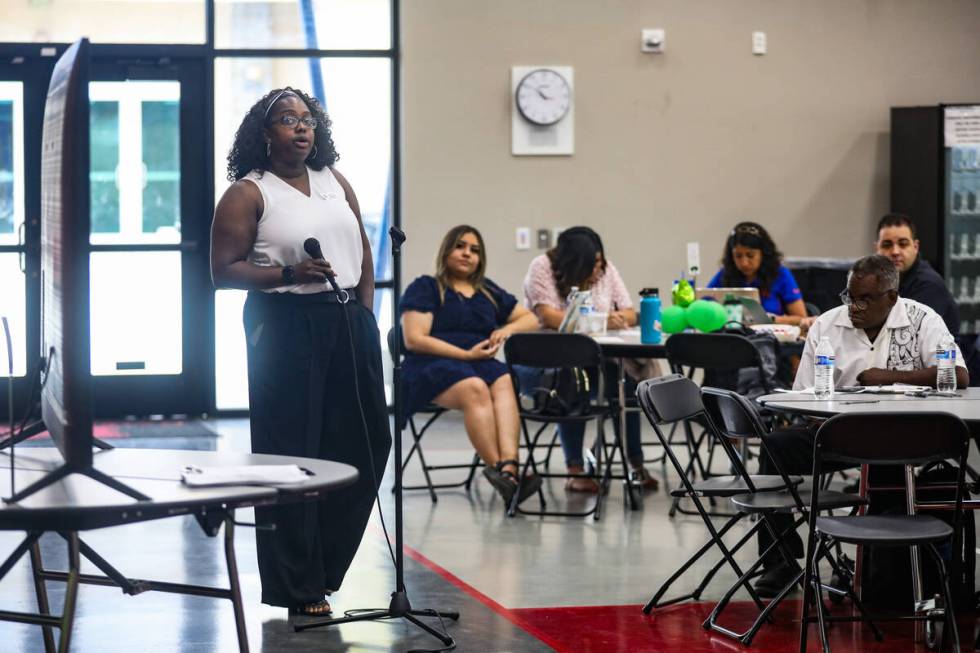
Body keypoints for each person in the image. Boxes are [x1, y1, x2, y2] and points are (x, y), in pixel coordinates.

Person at [210, 87, 391, 617]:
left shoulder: (336, 182)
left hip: (345, 321)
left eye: (307, 119)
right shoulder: (248, 193)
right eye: (287, 120)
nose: (301, 127)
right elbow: (223, 272)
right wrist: (288, 273)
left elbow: (360, 248)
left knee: (365, 444)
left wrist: (363, 314)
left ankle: (326, 568)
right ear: (264, 134)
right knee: (293, 456)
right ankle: (297, 586)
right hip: (284, 323)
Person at [752, 254, 967, 597]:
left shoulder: (922, 319)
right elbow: (804, 396)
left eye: (866, 299)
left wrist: (890, 378)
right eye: (850, 296)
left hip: (904, 440)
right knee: (775, 447)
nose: (855, 306)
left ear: (892, 297)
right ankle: (779, 559)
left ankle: (884, 574)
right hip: (840, 435)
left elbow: (958, 375)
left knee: (890, 475)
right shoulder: (827, 325)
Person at [400, 225, 542, 505]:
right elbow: (414, 339)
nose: (467, 254)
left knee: (503, 380)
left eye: (474, 250)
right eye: (460, 246)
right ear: (446, 250)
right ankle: (503, 471)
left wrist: (506, 331)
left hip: (479, 362)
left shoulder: (486, 290)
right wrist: (465, 355)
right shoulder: (426, 287)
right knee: (476, 388)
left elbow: (530, 319)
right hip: (432, 364)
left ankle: (509, 467)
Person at [522, 226, 657, 492]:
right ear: (576, 263)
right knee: (575, 385)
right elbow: (549, 317)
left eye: (600, 261)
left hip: (599, 359)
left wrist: (618, 319)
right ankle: (575, 468)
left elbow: (629, 312)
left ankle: (635, 463)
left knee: (627, 386)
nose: (599, 268)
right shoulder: (542, 267)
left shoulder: (606, 269)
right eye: (593, 263)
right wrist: (603, 320)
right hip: (553, 363)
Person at [708, 222, 808, 325]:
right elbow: (705, 302)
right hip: (734, 337)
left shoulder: (780, 274)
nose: (744, 263)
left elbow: (802, 318)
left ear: (764, 254)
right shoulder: (725, 274)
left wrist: (771, 320)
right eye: (738, 256)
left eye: (750, 255)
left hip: (771, 337)